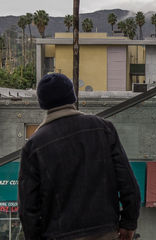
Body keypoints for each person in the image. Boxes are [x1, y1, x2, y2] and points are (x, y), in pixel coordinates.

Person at [18, 73, 140, 240]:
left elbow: (28, 209)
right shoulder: (103, 129)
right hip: (104, 231)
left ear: (42, 103)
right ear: (72, 97)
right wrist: (128, 223)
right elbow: (128, 183)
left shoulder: (33, 147)